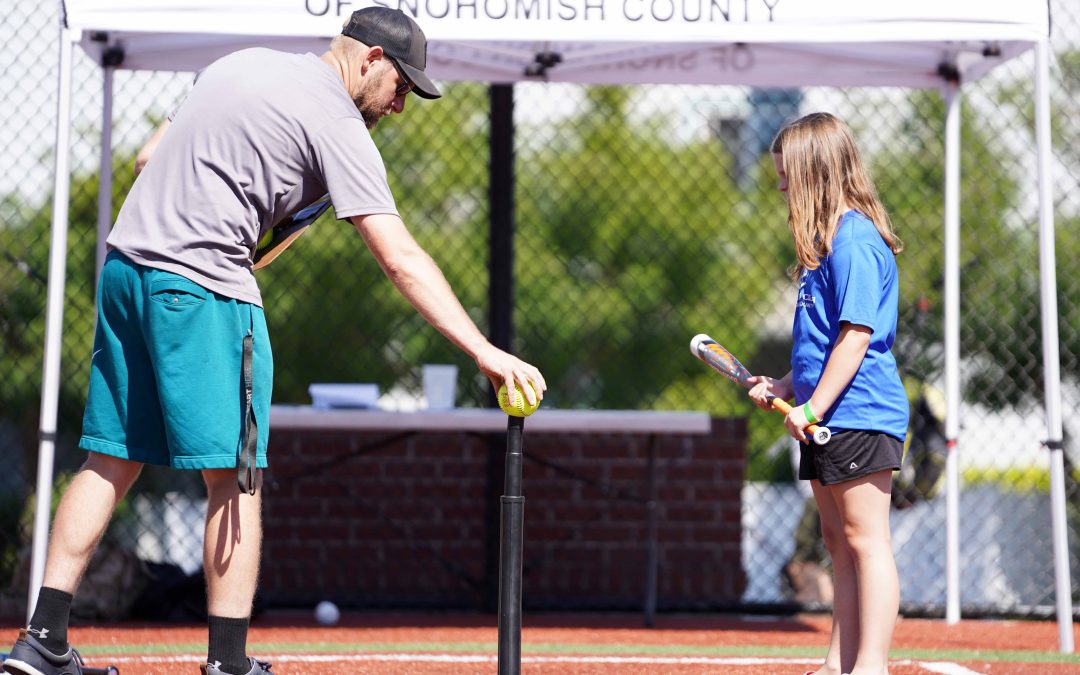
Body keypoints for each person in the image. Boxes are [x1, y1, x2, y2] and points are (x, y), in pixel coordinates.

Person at [4, 8, 545, 675]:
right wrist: (485, 352)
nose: (401, 105)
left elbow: (149, 156)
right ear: (371, 58)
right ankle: (229, 662)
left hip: (126, 269)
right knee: (237, 477)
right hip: (203, 285)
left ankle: (41, 642)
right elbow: (399, 258)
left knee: (109, 459)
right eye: (401, 85)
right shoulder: (339, 124)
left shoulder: (241, 63)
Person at [747, 112, 907, 675]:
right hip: (826, 414)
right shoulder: (822, 247)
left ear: (815, 170)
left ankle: (871, 665)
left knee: (866, 540)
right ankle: (841, 662)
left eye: (788, 174)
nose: (781, 185)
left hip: (859, 413)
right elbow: (819, 345)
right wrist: (789, 387)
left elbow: (857, 336)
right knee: (837, 542)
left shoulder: (855, 240)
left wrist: (813, 406)